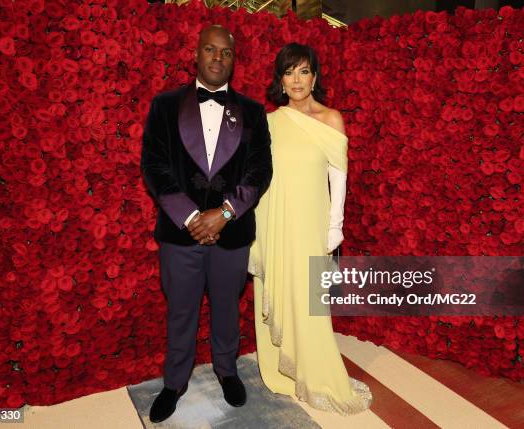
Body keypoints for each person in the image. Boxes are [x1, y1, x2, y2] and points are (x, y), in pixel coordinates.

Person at [141, 25, 272, 423]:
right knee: (180, 310)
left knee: (226, 309)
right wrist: (191, 216)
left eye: (226, 52)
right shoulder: (164, 105)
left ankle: (226, 370)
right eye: (210, 50)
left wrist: (227, 212)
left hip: (232, 233)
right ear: (195, 55)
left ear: (234, 59)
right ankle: (175, 382)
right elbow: (155, 167)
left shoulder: (252, 111)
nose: (218, 58)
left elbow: (260, 170)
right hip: (180, 234)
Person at [248, 43, 373, 414]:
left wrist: (336, 226)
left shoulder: (331, 119)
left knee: (311, 303)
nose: (297, 80)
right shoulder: (269, 122)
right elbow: (260, 177)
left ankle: (318, 374)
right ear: (280, 81)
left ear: (315, 77)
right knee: (279, 293)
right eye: (289, 72)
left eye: (304, 71)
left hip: (312, 224)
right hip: (273, 222)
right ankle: (284, 371)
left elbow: (340, 177)